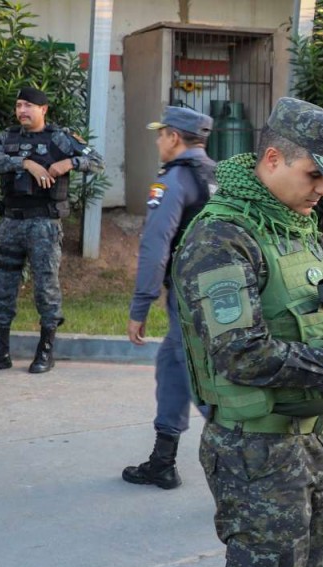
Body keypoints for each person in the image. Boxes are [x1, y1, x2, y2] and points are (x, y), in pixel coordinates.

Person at [172, 96, 323, 567]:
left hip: (310, 442)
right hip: (255, 452)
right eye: (313, 174)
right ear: (273, 158)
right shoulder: (222, 237)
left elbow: (306, 316)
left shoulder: (291, 225)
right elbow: (240, 354)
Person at [122, 106, 216, 490]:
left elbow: (155, 245)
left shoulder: (174, 180)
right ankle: (163, 461)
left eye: (161, 134)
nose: (158, 141)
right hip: (213, 291)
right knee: (173, 366)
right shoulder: (214, 175)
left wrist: (140, 306)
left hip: (189, 296)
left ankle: (254, 461)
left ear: (174, 137)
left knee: (196, 377)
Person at [0, 86, 104, 373]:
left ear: (43, 109)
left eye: (28, 106)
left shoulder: (60, 138)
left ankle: (45, 352)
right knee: (2, 288)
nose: (22, 111)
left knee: (45, 287)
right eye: (18, 105)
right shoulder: (7, 138)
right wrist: (25, 163)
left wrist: (69, 162)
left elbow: (97, 162)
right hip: (10, 223)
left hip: (44, 225)